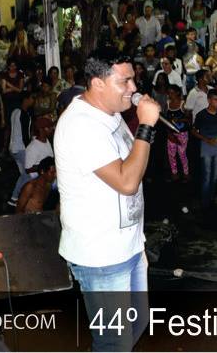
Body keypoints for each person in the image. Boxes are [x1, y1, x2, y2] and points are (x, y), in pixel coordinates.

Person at [54, 46, 161, 352]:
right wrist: (146, 126)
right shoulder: (81, 125)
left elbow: (132, 163)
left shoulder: (110, 114)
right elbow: (127, 182)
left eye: (133, 80)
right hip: (101, 256)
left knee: (137, 324)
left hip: (128, 246)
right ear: (98, 83)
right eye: (124, 81)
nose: (133, 88)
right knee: (115, 342)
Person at [192, 90, 217, 209]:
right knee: (207, 176)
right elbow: (193, 131)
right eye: (215, 99)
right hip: (206, 146)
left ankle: (211, 198)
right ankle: (204, 202)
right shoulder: (201, 115)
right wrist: (207, 140)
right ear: (209, 100)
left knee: (215, 176)